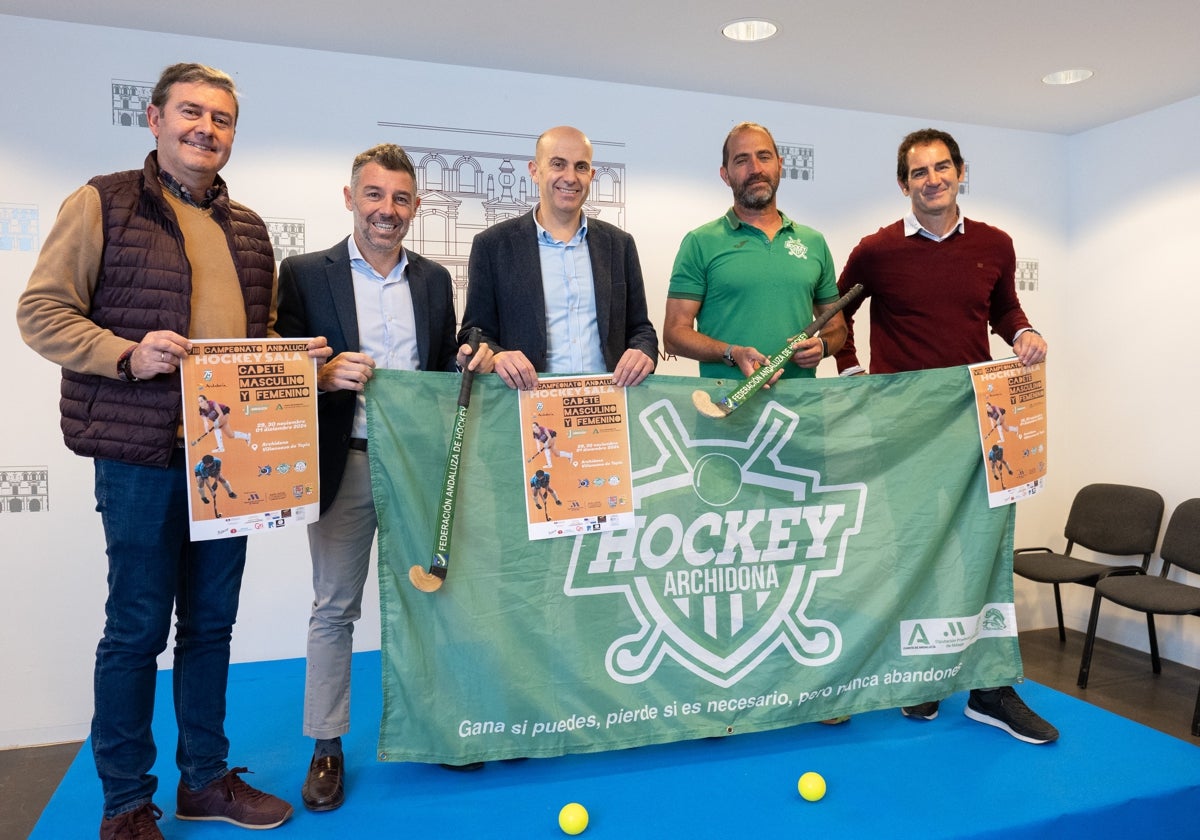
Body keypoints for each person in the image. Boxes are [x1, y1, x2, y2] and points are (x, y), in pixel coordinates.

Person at [16, 63, 322, 839]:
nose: (206, 129)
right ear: (153, 118)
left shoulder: (250, 230)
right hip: (140, 456)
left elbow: (254, 345)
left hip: (231, 462)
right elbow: (41, 312)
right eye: (191, 113)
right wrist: (125, 352)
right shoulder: (103, 202)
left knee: (213, 625)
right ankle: (124, 804)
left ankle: (204, 780)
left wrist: (295, 361)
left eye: (221, 119)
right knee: (137, 628)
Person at [275, 143, 494, 813]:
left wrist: (468, 352)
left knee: (435, 599)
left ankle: (439, 729)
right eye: (374, 196)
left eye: (400, 199)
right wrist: (319, 374)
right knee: (335, 606)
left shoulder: (431, 280)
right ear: (350, 199)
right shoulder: (306, 273)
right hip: (345, 461)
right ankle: (326, 745)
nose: (387, 211)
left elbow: (441, 362)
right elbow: (279, 371)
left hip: (418, 466)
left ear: (416, 207)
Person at [834, 127, 1055, 744]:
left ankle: (990, 685)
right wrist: (851, 370)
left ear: (960, 172)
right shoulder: (877, 251)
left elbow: (1004, 309)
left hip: (979, 424)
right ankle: (923, 677)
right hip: (901, 430)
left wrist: (1024, 334)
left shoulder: (995, 244)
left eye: (941, 168)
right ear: (903, 184)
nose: (931, 180)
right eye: (918, 172)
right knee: (914, 550)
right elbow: (833, 314)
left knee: (982, 552)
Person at [459, 125, 658, 390]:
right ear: (534, 171)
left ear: (592, 175)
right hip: (528, 409)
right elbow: (476, 335)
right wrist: (496, 356)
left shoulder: (619, 245)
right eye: (558, 164)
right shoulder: (493, 245)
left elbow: (642, 331)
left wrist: (643, 352)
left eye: (581, 167)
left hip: (607, 408)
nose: (570, 177)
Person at [663, 122, 846, 383]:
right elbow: (673, 335)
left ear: (780, 165)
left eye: (764, 157)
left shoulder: (814, 241)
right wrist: (731, 353)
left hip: (802, 410)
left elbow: (836, 327)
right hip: (728, 409)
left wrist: (823, 346)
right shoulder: (700, 242)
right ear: (725, 175)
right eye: (742, 160)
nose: (756, 169)